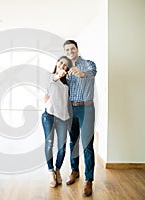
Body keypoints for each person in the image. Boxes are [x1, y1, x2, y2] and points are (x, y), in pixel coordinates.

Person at [64, 40, 97, 196]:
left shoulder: (88, 64)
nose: (70, 51)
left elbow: (92, 73)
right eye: (67, 50)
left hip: (86, 108)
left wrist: (82, 73)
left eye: (72, 48)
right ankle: (74, 171)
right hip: (71, 108)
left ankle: (88, 180)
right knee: (73, 142)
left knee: (87, 145)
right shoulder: (66, 67)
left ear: (77, 49)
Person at [41, 56, 72, 188]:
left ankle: (57, 169)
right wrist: (57, 75)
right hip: (49, 116)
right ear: (57, 63)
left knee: (62, 148)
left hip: (63, 118)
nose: (62, 66)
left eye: (65, 65)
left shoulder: (67, 83)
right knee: (49, 145)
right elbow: (50, 85)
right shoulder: (50, 77)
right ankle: (50, 172)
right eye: (61, 63)